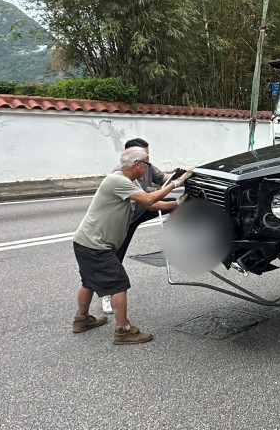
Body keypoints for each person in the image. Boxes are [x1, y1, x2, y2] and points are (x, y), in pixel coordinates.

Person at [71, 146, 192, 345]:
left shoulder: (128, 182)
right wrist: (176, 184)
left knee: (88, 281)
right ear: (138, 164)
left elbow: (150, 206)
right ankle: (123, 331)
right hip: (95, 245)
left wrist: (178, 204)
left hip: (86, 242)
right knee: (118, 284)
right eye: (147, 164)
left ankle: (81, 320)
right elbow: (149, 198)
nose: (148, 168)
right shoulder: (116, 180)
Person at [99, 137, 178, 314]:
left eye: (148, 154)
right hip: (125, 221)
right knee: (115, 258)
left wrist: (181, 176)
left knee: (175, 203)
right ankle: (107, 295)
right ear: (135, 160)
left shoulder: (146, 166)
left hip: (142, 210)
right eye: (145, 157)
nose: (148, 160)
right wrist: (174, 186)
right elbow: (150, 200)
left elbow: (162, 178)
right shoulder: (119, 177)